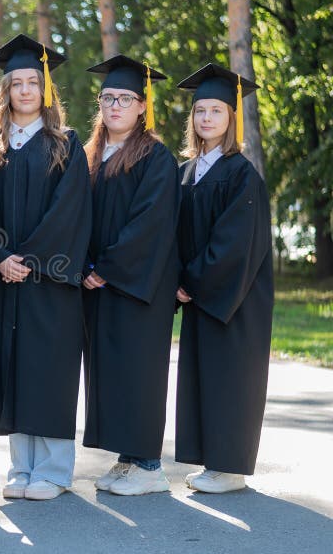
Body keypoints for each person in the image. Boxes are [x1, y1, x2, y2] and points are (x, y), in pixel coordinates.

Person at [0, 35, 91, 501]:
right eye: (17, 82)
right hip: (3, 278)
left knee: (48, 368)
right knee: (12, 366)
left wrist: (26, 259)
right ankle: (21, 467)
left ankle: (54, 471)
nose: (25, 90)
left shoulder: (66, 144)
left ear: (45, 90)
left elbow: (71, 211)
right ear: (5, 91)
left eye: (34, 82)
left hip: (50, 280)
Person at [82, 55, 180, 496]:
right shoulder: (91, 154)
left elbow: (149, 223)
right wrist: (83, 266)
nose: (115, 105)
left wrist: (106, 268)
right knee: (111, 370)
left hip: (140, 284)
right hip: (99, 282)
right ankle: (127, 458)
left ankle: (149, 464)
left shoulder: (155, 157)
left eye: (125, 98)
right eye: (108, 97)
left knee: (139, 370)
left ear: (143, 106)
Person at [174, 64, 273, 493]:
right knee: (203, 374)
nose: (207, 118)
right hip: (201, 291)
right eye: (200, 111)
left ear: (232, 118)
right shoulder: (188, 171)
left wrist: (191, 282)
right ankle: (213, 462)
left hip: (235, 295)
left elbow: (233, 246)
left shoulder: (241, 174)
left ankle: (231, 467)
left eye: (216, 110)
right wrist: (177, 278)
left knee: (231, 374)